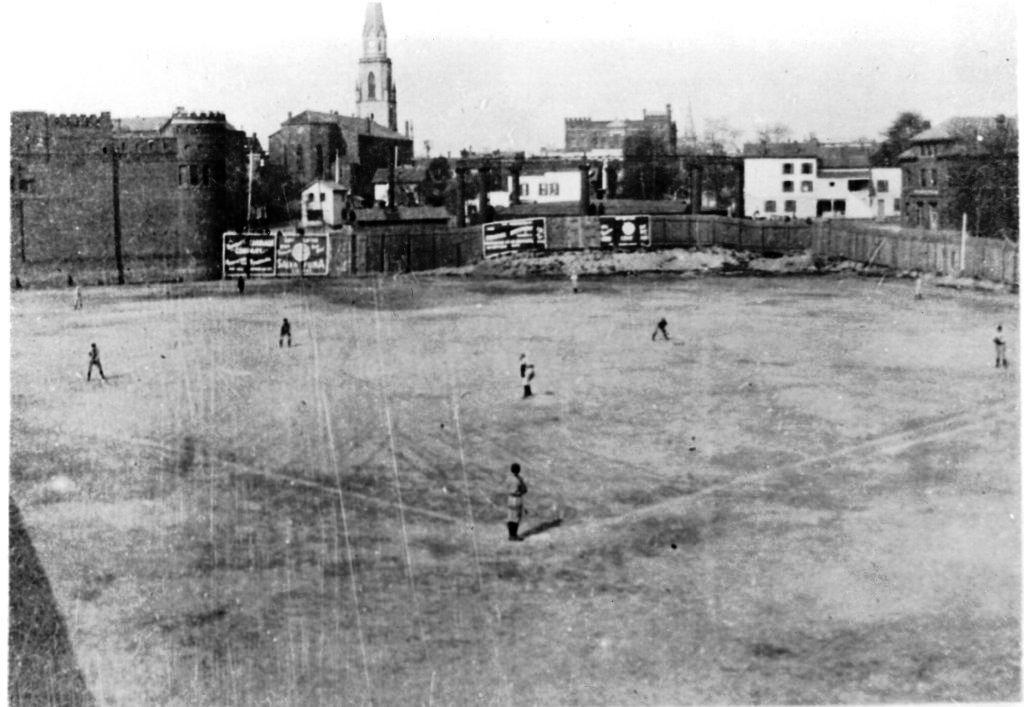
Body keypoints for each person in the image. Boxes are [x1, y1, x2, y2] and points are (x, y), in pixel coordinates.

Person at [506, 463, 527, 541]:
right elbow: (525, 490)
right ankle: (514, 536)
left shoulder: (508, 478)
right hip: (517, 499)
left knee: (510, 517)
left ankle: (510, 535)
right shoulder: (519, 479)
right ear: (519, 470)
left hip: (510, 498)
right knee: (516, 518)